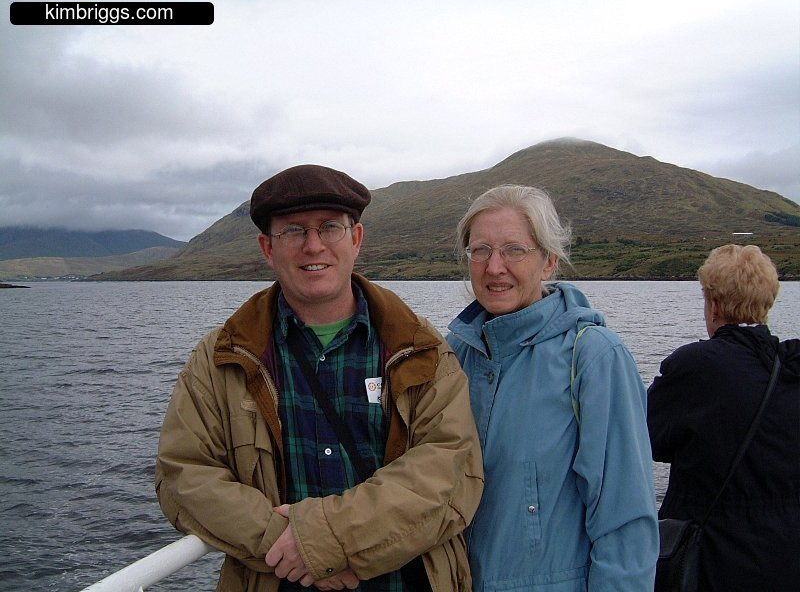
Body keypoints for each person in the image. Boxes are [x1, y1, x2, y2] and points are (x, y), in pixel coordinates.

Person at [155, 164, 484, 591]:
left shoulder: (421, 348)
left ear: (356, 239)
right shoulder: (220, 358)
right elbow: (184, 475)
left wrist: (326, 543)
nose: (313, 245)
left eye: (330, 227)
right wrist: (298, 548)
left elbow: (451, 466)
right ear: (267, 248)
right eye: (293, 231)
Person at [446, 185, 659, 590]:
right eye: (480, 251)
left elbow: (626, 523)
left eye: (514, 250)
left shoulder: (595, 356)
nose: (494, 267)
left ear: (548, 262)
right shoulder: (453, 356)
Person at [648, 244, 800, 591]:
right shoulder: (791, 369)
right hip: (787, 561)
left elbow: (645, 437)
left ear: (714, 304)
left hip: (711, 562)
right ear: (767, 302)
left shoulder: (696, 367)